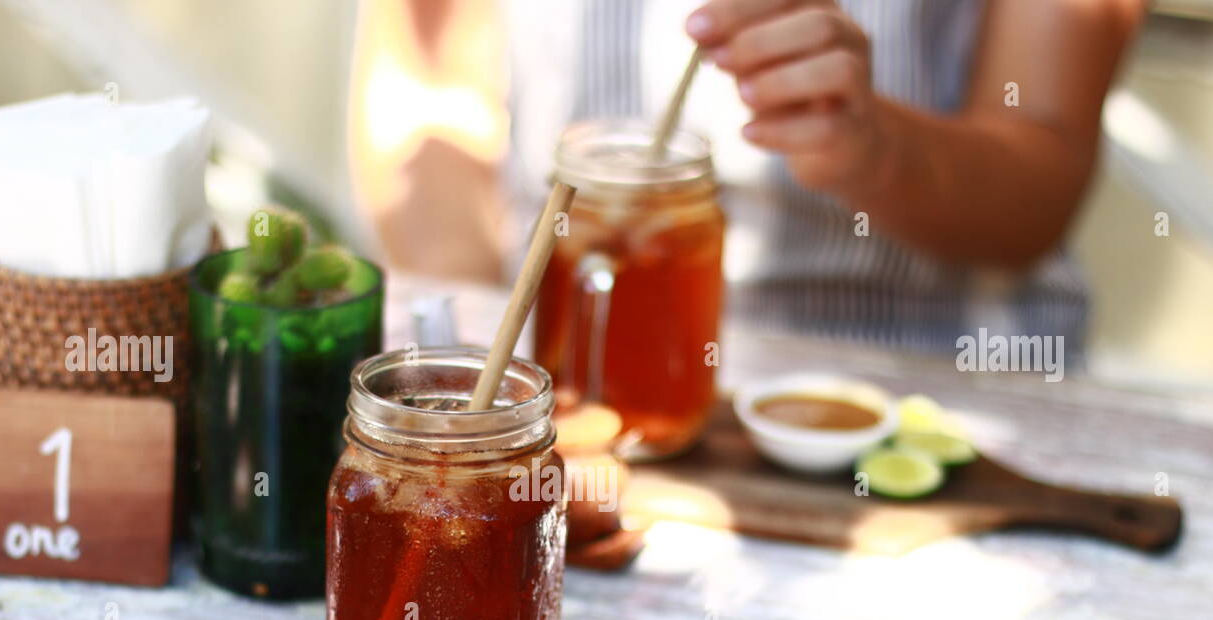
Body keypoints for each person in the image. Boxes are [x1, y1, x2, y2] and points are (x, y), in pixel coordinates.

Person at [359, 0, 1149, 358]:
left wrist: (873, 147)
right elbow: (429, 100)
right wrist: (467, 368)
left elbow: (1043, 168)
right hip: (564, 367)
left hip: (934, 377)